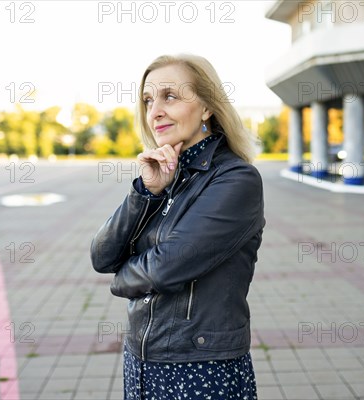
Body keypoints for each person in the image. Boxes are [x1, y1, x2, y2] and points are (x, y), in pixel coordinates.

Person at [91, 54, 265, 400]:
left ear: (206, 108)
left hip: (199, 366)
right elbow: (102, 255)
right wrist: (145, 192)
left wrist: (121, 277)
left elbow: (165, 268)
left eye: (169, 96)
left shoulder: (236, 180)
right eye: (147, 100)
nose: (154, 110)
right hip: (143, 360)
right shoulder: (165, 176)